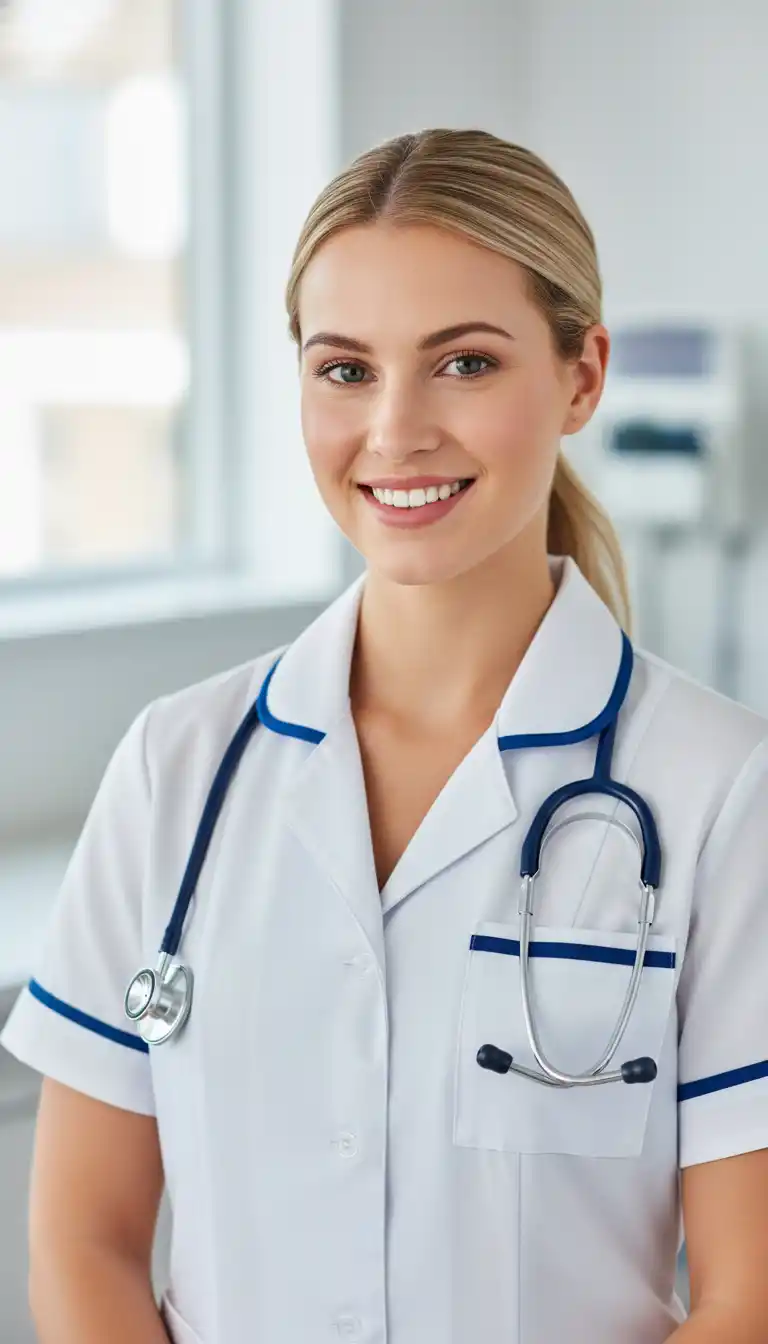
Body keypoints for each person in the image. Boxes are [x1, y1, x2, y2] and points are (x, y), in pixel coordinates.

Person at [2, 127, 768, 1344]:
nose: (396, 430)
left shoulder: (719, 792)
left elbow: (749, 1297)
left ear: (582, 376)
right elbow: (83, 1239)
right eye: (346, 370)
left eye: (464, 363)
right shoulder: (176, 768)